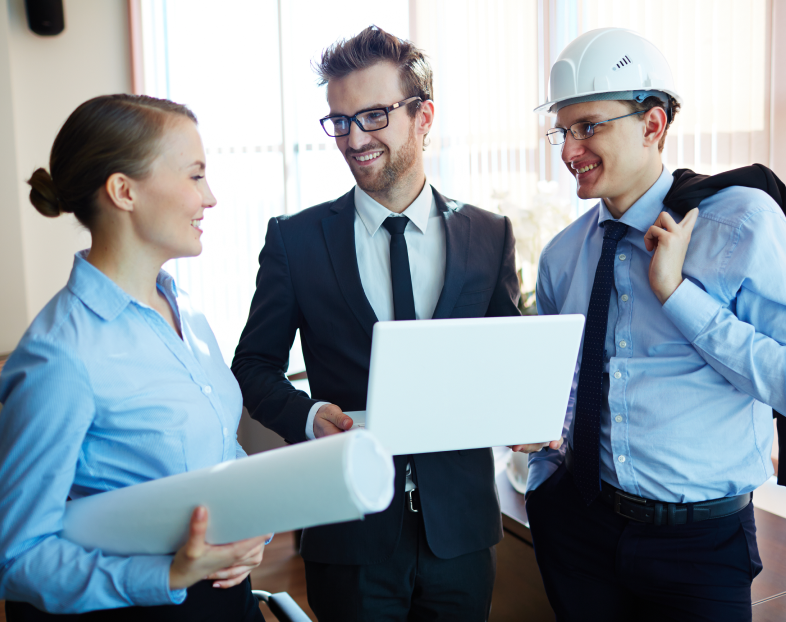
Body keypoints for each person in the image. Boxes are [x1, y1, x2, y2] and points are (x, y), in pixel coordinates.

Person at [515, 27, 786, 621]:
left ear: (653, 125)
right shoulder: (562, 256)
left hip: (701, 548)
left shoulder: (741, 221)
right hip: (580, 534)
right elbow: (561, 394)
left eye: (589, 127)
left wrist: (679, 295)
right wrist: (542, 477)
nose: (568, 150)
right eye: (563, 130)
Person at [231, 26, 522, 622]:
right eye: (339, 120)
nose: (353, 138)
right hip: (348, 532)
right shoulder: (295, 240)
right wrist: (308, 417)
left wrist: (527, 412)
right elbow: (252, 367)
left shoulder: (489, 235)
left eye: (373, 116)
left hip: (462, 532)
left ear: (424, 116)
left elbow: (508, 360)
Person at [0, 94, 268, 621]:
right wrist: (165, 576)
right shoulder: (61, 356)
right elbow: (17, 556)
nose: (209, 197)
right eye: (195, 176)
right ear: (123, 191)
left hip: (228, 597)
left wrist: (254, 521)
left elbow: (216, 447)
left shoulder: (184, 308)